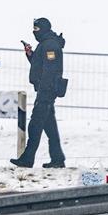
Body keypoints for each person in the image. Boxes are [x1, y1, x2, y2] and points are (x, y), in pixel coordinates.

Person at [11, 18, 67, 168]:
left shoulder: (50, 45)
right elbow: (41, 66)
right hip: (45, 91)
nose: (34, 32)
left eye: (36, 29)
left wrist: (44, 92)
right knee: (50, 128)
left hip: (46, 92)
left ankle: (27, 159)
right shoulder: (45, 44)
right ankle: (58, 159)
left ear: (43, 29)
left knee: (35, 125)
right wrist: (31, 55)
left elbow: (50, 70)